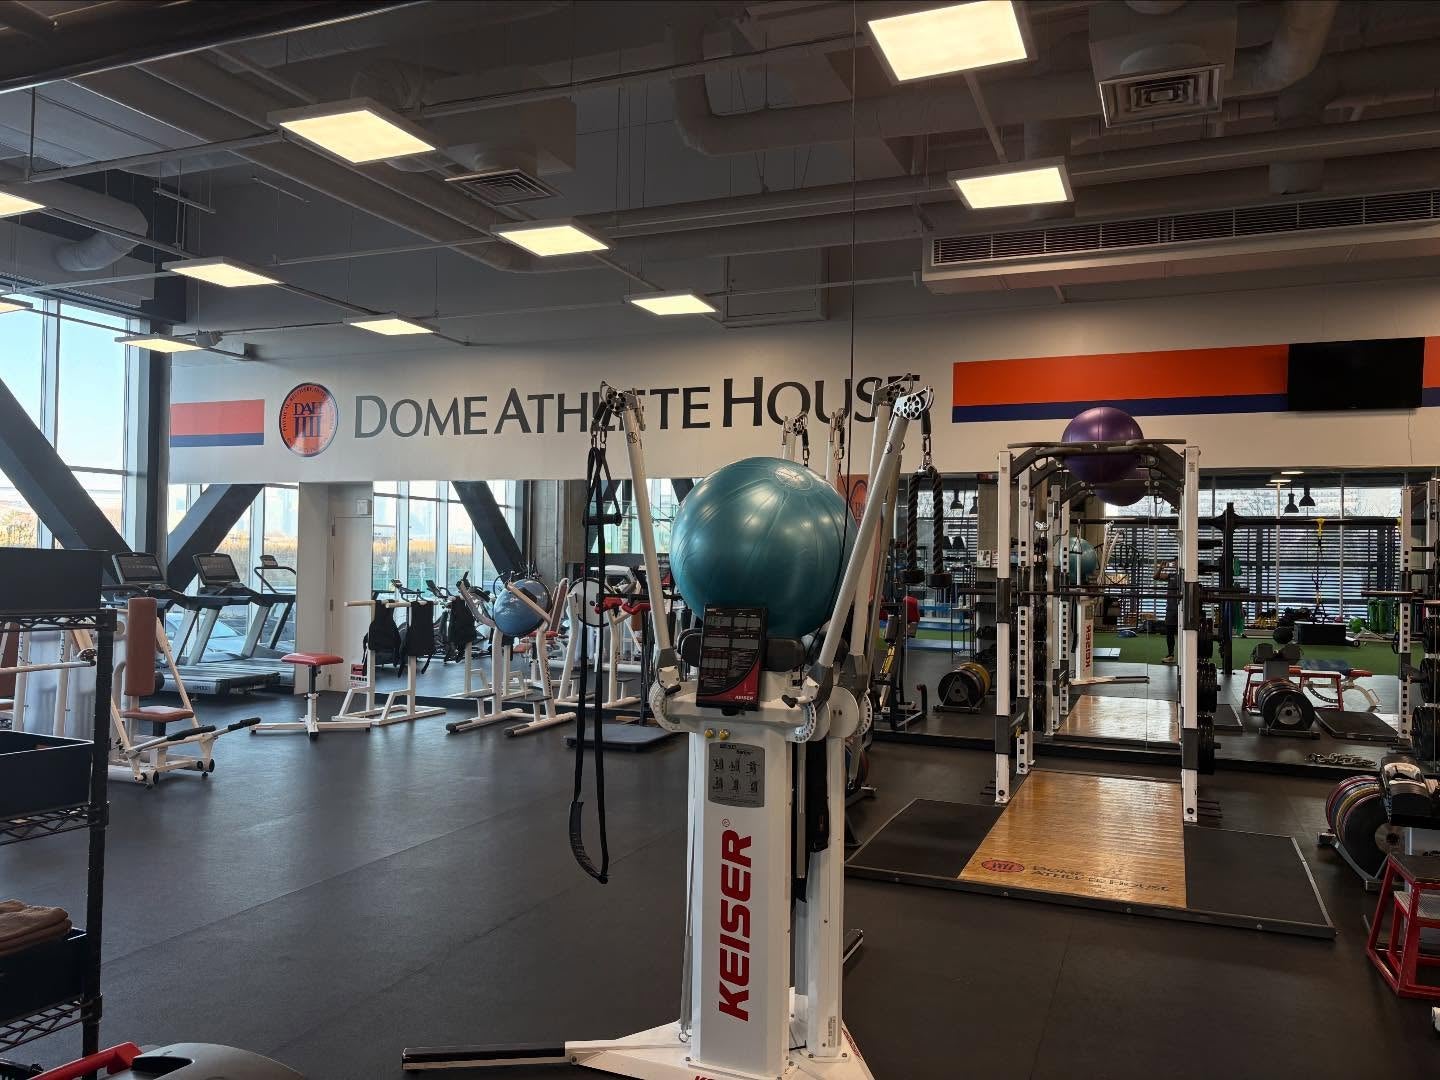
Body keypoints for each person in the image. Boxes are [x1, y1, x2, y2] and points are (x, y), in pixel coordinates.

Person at [1156, 560, 1180, 663]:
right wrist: (1161, 568)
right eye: (1174, 562)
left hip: (1182, 609)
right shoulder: (1171, 576)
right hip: (1171, 609)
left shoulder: (1186, 576)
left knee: (1186, 633)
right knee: (1169, 632)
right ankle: (1170, 655)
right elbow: (1156, 577)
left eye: (1176, 562)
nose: (1174, 564)